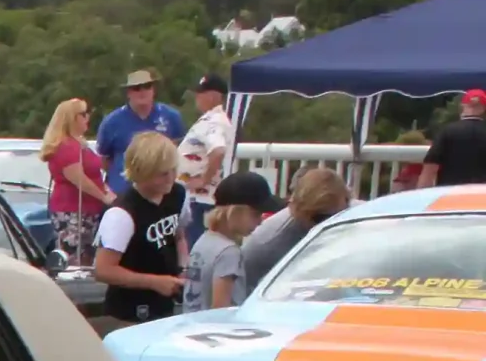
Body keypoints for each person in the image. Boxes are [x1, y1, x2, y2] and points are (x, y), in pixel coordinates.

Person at [94, 130, 188, 324]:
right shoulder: (122, 213)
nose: (171, 178)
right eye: (162, 174)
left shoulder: (177, 194)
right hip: (129, 312)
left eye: (173, 170)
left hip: (165, 304)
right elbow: (103, 270)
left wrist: (183, 267)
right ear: (142, 173)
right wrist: (154, 282)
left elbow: (178, 234)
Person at [240, 167, 350, 294]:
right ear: (294, 209)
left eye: (337, 215)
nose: (327, 224)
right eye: (320, 218)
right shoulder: (266, 243)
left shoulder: (364, 220)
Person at [182, 170, 277, 312]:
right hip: (214, 330)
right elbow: (220, 309)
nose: (260, 222)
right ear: (235, 211)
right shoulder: (229, 253)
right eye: (256, 214)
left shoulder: (204, 240)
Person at [40, 97, 112, 266]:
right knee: (73, 257)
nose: (88, 118)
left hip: (87, 212)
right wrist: (103, 197)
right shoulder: (67, 146)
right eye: (83, 114)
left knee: (85, 256)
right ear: (72, 118)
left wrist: (107, 190)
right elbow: (78, 178)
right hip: (73, 211)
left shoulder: (80, 144)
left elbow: (94, 173)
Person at [96, 69, 184, 196]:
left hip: (161, 193)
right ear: (128, 93)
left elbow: (176, 151)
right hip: (123, 192)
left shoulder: (171, 117)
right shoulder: (111, 122)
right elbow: (104, 159)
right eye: (137, 88)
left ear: (153, 90)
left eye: (147, 86)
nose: (142, 92)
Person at [177, 73, 234, 212]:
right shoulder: (211, 120)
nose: (197, 97)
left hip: (199, 199)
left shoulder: (213, 122)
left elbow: (218, 151)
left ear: (214, 96)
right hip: (194, 198)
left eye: (201, 92)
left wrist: (203, 180)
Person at [418, 89, 486, 188]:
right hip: (481, 195)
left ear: (462, 106)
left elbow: (430, 169)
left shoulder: (447, 131)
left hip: (450, 193)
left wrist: (422, 197)